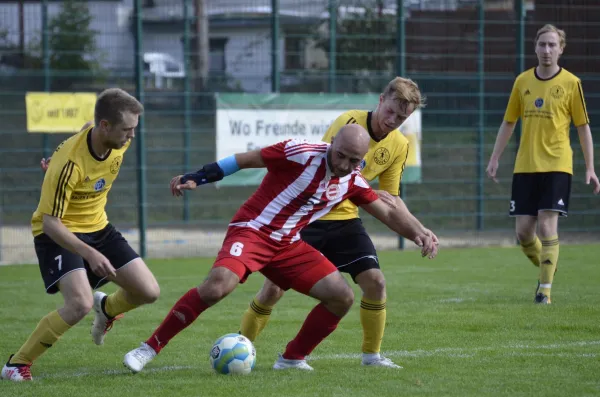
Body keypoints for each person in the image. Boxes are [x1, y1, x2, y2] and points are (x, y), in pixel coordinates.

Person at [122, 124, 437, 373]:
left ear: (362, 160)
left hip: (288, 245)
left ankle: (292, 358)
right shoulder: (300, 152)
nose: (344, 164)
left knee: (341, 297)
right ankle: (148, 348)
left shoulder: (352, 181)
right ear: (333, 144)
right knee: (217, 288)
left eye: (354, 161)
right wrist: (199, 177)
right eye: (341, 155)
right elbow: (245, 160)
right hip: (253, 231)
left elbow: (388, 212)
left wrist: (419, 234)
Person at [238, 76, 434, 368]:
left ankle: (371, 357)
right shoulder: (349, 122)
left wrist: (420, 229)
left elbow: (391, 199)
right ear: (381, 101)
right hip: (310, 217)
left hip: (346, 221)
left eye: (402, 117)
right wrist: (364, 190)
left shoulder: (400, 145)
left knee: (376, 282)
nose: (393, 120)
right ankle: (240, 349)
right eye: (391, 111)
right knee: (273, 290)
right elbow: (326, 168)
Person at [1, 88, 160, 382]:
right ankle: (17, 364)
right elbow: (50, 223)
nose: (132, 136)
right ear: (106, 126)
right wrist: (89, 253)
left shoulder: (112, 139)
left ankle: (107, 308)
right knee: (78, 304)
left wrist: (63, 148)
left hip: (98, 227)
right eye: (127, 129)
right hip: (58, 232)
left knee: (148, 291)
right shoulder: (68, 166)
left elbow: (86, 128)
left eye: (134, 128)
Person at [486, 24, 599, 304]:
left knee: (547, 227)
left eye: (552, 45)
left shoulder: (572, 83)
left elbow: (583, 127)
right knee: (524, 232)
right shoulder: (522, 81)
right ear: (535, 48)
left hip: (558, 164)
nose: (547, 50)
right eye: (542, 45)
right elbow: (509, 122)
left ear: (561, 49)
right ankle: (549, 266)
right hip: (525, 165)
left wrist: (590, 167)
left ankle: (544, 292)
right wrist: (495, 157)